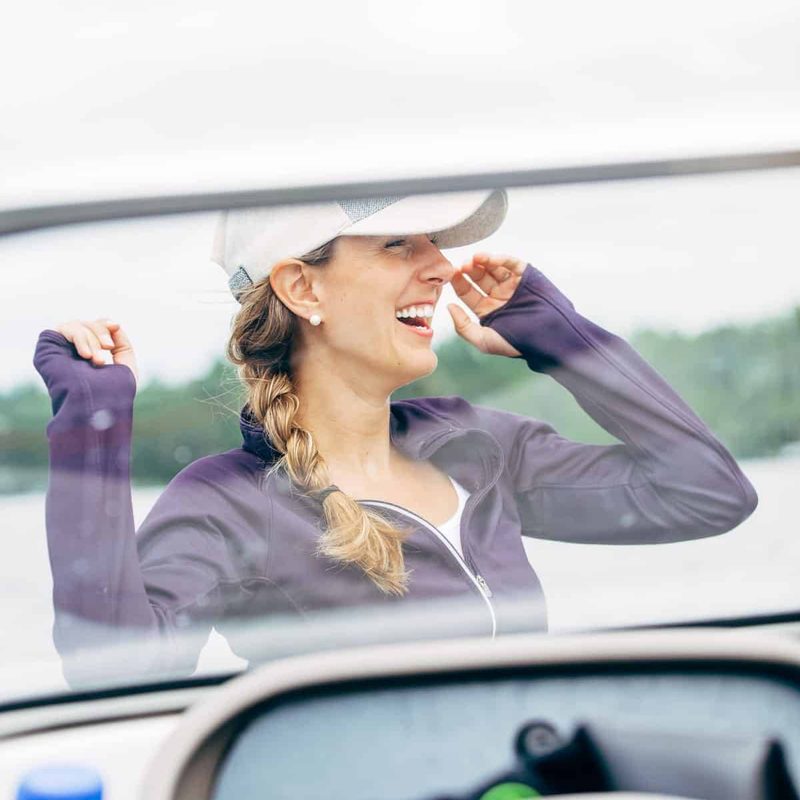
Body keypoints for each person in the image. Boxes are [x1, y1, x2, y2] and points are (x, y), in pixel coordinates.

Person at [34, 189, 757, 679]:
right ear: (302, 288)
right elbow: (114, 667)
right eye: (397, 243)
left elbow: (705, 493)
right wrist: (91, 428)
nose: (442, 266)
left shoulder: (478, 445)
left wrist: (557, 334)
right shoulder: (228, 502)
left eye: (436, 244)